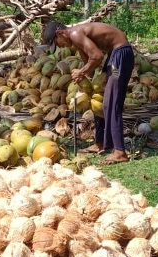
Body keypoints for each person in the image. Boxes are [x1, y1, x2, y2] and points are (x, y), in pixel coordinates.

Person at [41, 21, 134, 164]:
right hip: (113, 57)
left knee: (111, 101)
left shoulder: (75, 33)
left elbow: (97, 56)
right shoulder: (75, 39)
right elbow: (88, 60)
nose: (61, 46)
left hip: (120, 56)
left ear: (60, 33)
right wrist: (86, 80)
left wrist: (81, 72)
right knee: (99, 99)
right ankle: (101, 143)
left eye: (57, 43)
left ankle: (120, 152)